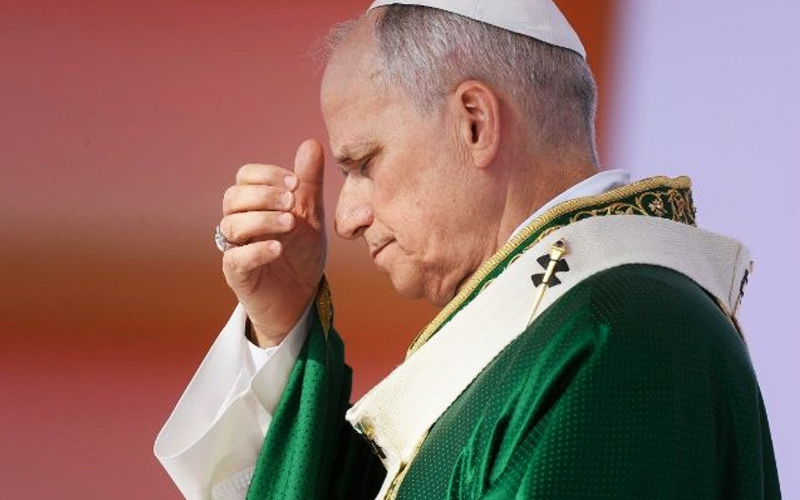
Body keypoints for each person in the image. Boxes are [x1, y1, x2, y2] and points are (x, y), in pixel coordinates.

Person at [154, 1, 782, 499]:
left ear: (475, 122)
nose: (345, 219)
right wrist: (283, 323)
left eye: (365, 163)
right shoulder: (556, 332)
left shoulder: (623, 334)